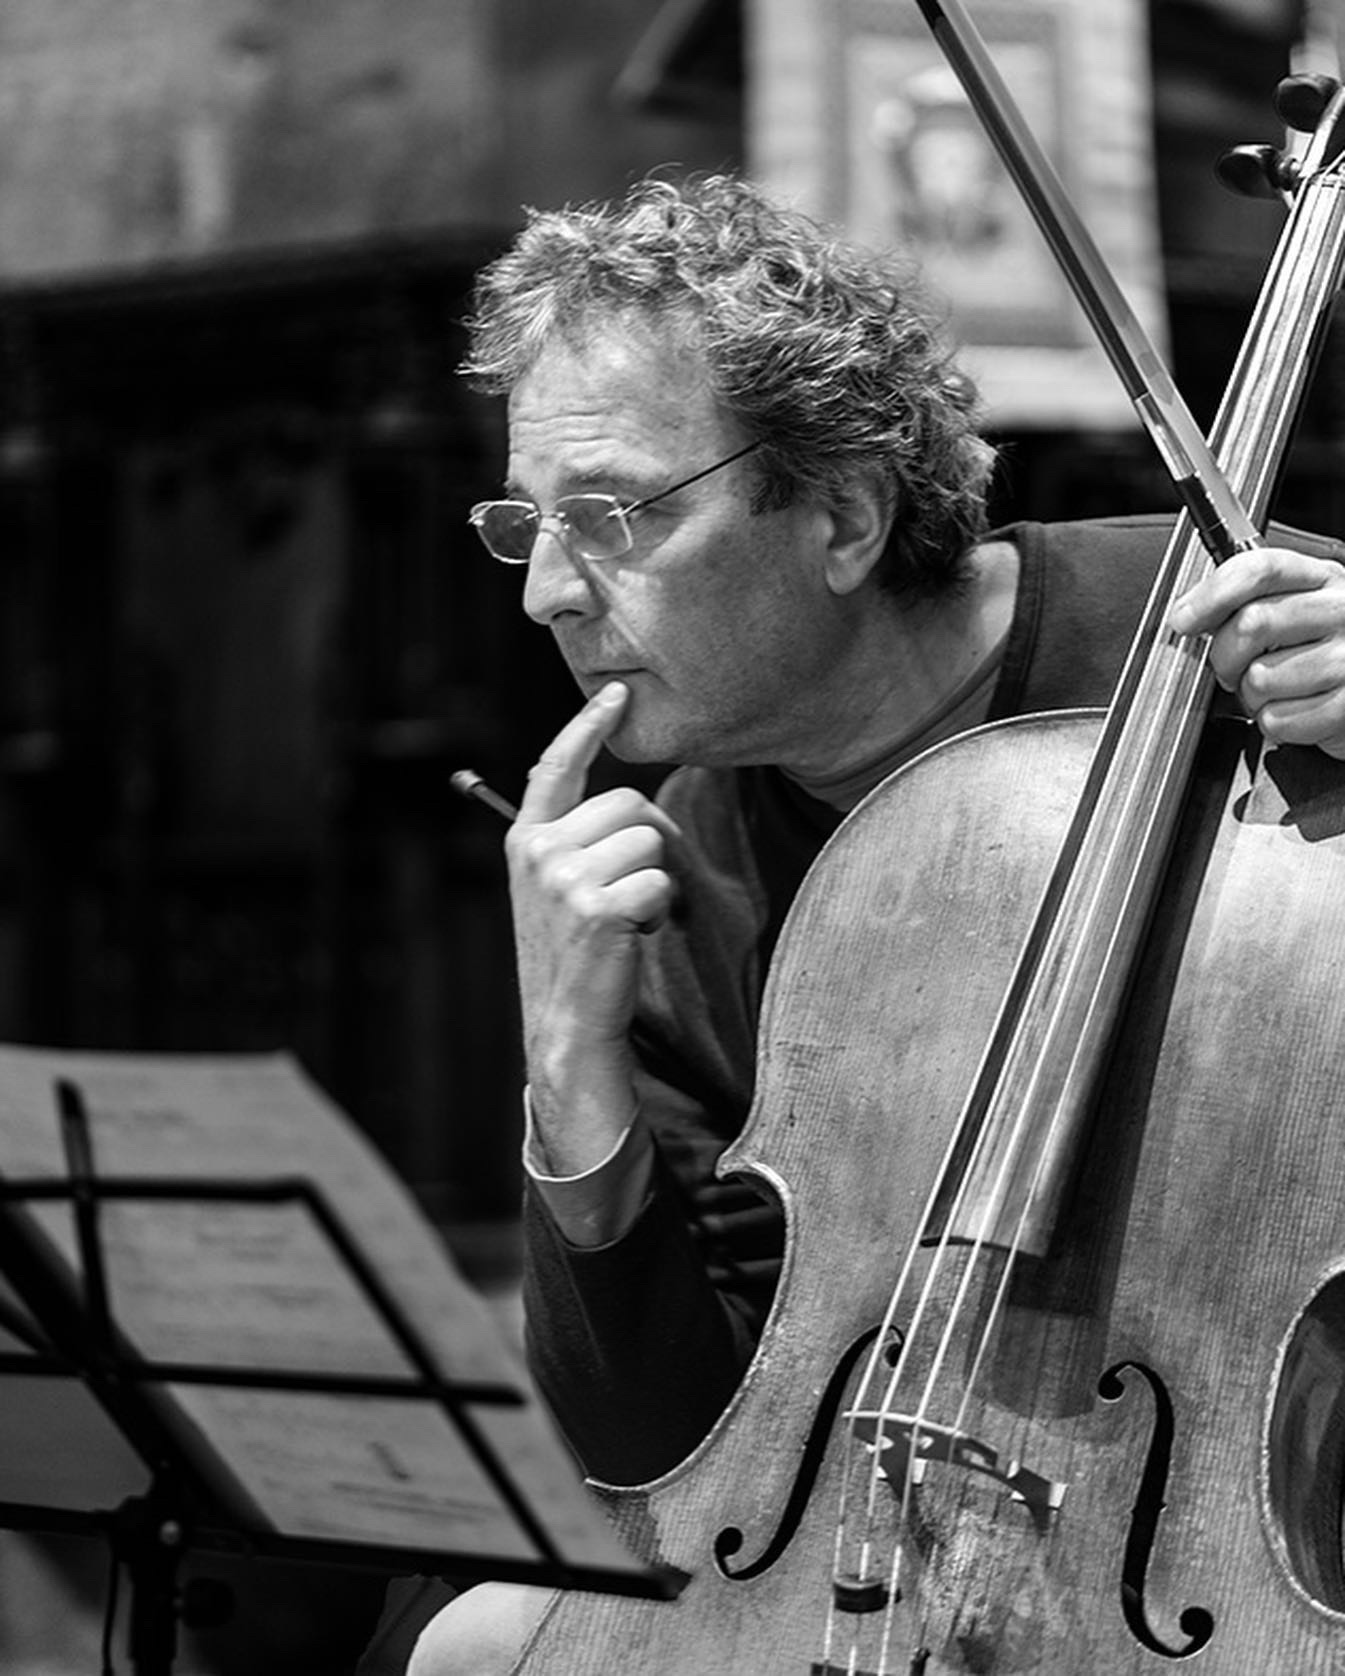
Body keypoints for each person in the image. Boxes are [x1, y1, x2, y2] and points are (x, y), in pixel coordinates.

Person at [357, 172, 1345, 1675]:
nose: (547, 594)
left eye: (611, 516)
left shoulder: (1221, 626)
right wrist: (570, 1060)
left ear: (840, 514)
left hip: (1263, 1517)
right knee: (460, 1642)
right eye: (526, 525)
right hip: (900, 1528)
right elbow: (659, 1449)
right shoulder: (684, 862)